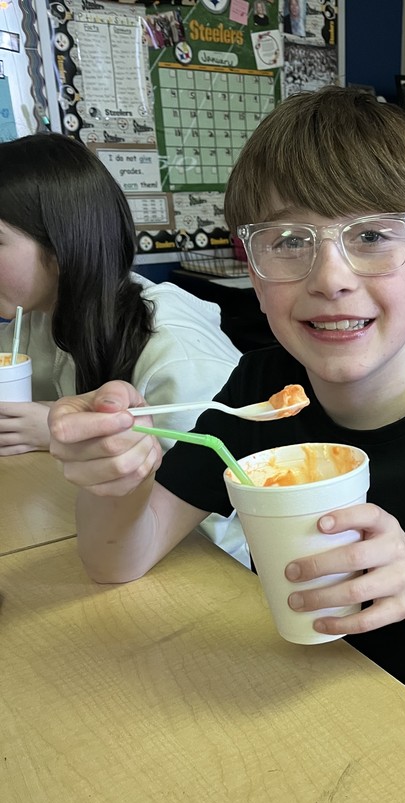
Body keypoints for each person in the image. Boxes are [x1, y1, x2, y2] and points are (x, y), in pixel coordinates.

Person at [48, 87, 405, 785]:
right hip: (304, 734)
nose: (331, 278)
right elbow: (117, 561)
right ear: (252, 270)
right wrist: (115, 478)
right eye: (289, 241)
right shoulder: (262, 392)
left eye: (372, 236)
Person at [0, 131, 248, 565]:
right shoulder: (37, 317)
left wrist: (60, 435)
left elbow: (225, 513)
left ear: (60, 248)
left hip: (211, 566)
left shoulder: (174, 352)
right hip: (95, 535)